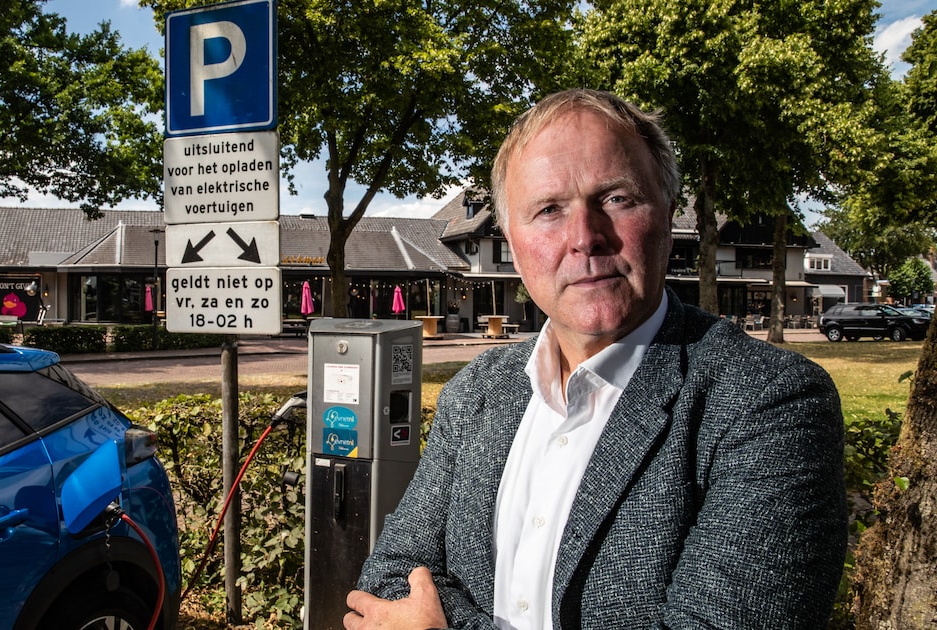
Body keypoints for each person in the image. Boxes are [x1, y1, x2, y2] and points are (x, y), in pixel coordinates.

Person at [343, 89, 847, 629]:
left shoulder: (771, 404)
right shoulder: (475, 394)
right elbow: (390, 576)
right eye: (548, 210)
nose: (585, 237)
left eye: (616, 198)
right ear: (512, 242)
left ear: (668, 215)